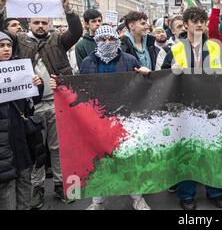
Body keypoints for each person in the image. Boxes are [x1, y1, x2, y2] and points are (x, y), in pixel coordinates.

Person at [0, 0, 83, 209]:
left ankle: (60, 184)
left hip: (58, 103)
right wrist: (1, 6)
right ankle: (36, 189)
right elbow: (1, 33)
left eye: (44, 23)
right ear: (29, 23)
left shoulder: (58, 40)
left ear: (49, 24)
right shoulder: (19, 41)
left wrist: (68, 9)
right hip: (31, 107)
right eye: (36, 22)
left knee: (58, 147)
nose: (40, 26)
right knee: (36, 149)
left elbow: (76, 31)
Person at [55, 25, 151, 210]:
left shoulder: (130, 60)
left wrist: (146, 74)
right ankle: (97, 201)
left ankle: (137, 197)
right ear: (96, 41)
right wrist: (59, 85)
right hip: (96, 118)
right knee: (98, 159)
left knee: (128, 158)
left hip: (124, 117)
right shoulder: (88, 62)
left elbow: (143, 83)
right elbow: (81, 88)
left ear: (117, 40)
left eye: (111, 39)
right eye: (102, 39)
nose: (107, 43)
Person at [162, 7, 222, 211]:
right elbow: (161, 76)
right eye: (195, 21)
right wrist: (170, 72)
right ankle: (186, 195)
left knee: (212, 150)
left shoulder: (215, 47)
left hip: (210, 107)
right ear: (186, 24)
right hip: (184, 110)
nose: (199, 24)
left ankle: (215, 191)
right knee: (187, 153)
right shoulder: (175, 48)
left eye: (202, 21)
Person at [0, 32, 45, 210]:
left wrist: (37, 86)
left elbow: (31, 104)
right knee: (6, 192)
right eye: (1, 46)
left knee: (24, 184)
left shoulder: (20, 69)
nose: (5, 49)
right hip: (3, 146)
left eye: (8, 45)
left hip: (21, 141)